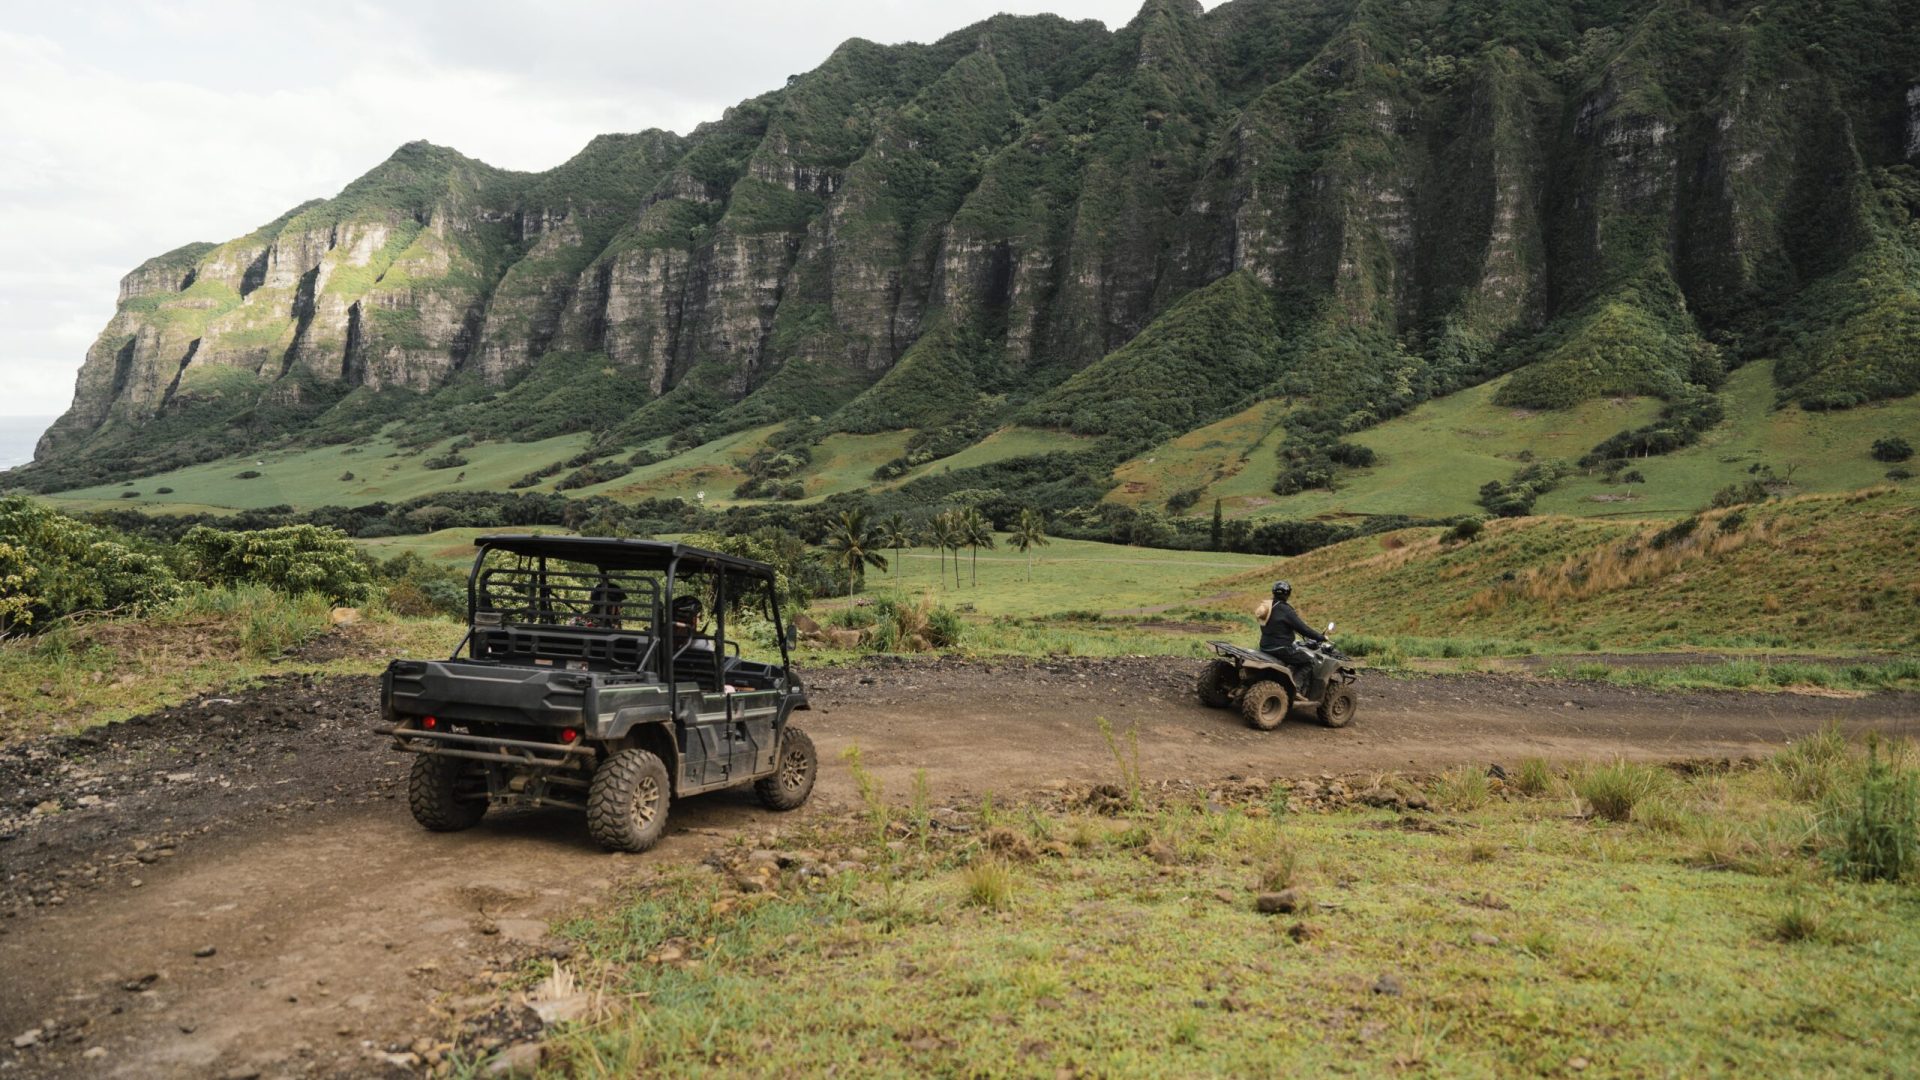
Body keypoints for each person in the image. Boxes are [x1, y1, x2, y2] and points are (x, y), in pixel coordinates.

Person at [1255, 580, 1326, 676]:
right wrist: (1320, 637)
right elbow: (1303, 629)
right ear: (1287, 594)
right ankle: (1296, 688)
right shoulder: (1285, 610)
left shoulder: (1268, 607)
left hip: (1265, 646)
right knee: (1309, 662)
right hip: (1281, 649)